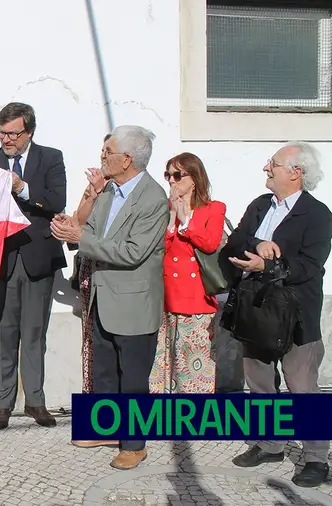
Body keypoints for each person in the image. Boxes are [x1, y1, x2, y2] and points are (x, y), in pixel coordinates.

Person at [50, 125, 169, 470]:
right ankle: (106, 429)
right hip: (103, 296)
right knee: (104, 368)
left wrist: (81, 238)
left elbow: (132, 252)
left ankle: (134, 444)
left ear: (127, 159)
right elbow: (93, 233)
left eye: (108, 152)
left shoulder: (152, 198)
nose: (102, 156)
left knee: (132, 377)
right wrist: (71, 230)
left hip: (133, 301)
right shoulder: (111, 192)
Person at [223, 142, 331, 488]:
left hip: (296, 316)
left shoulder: (317, 215)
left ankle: (316, 457)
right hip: (255, 311)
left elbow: (309, 267)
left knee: (302, 388)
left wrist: (269, 264)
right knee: (260, 383)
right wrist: (256, 245)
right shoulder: (260, 205)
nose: (266, 169)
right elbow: (235, 240)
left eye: (273, 164)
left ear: (296, 173)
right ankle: (271, 444)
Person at [0, 102, 67, 430]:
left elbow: (55, 202)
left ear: (29, 132)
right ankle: (2, 403)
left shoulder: (50, 157)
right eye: (2, 132)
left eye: (13, 133)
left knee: (35, 333)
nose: (6, 139)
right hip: (1, 260)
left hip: (39, 258)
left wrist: (20, 188)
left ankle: (36, 401)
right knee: (3, 334)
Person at [149, 153, 226, 394]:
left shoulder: (213, 209)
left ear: (193, 178)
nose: (171, 181)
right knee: (161, 366)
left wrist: (186, 222)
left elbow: (210, 243)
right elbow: (158, 250)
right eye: (168, 175)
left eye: (177, 175)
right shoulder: (162, 210)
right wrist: (172, 219)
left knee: (193, 367)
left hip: (196, 299)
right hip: (164, 299)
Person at [69, 135, 110, 394]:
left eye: (109, 150)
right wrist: (93, 194)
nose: (103, 156)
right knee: (92, 337)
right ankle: (94, 393)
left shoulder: (130, 191)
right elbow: (78, 221)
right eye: (102, 150)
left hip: (112, 268)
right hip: (89, 270)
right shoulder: (95, 186)